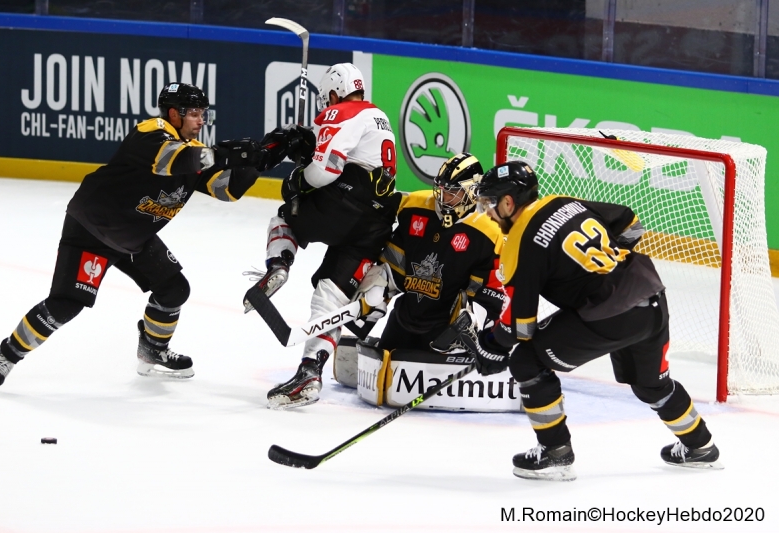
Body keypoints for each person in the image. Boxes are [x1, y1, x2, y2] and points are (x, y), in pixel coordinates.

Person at [0, 82, 279, 390]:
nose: (201, 120)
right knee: (66, 303)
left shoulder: (193, 150)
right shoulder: (153, 132)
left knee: (174, 289)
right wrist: (221, 155)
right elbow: (170, 161)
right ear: (174, 114)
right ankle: (6, 356)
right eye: (194, 114)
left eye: (204, 113)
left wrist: (264, 156)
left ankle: (153, 350)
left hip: (136, 235)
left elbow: (227, 189)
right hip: (95, 228)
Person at [459, 160, 721, 481]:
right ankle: (700, 446)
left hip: (610, 314)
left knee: (527, 361)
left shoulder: (519, 242)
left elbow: (520, 325)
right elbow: (631, 223)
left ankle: (555, 452)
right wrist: (600, 269)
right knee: (652, 385)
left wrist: (492, 347)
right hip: (650, 294)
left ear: (509, 202)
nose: (487, 212)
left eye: (490, 203)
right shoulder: (563, 202)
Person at [243, 63, 402, 410]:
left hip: (345, 203)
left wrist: (297, 180)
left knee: (286, 216)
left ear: (334, 92)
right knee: (331, 296)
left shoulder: (339, 110)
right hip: (376, 219)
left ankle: (278, 266)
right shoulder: (379, 116)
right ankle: (310, 373)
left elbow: (325, 170)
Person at [357, 152, 504, 353]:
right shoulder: (415, 208)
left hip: (445, 332)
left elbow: (487, 294)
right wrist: (378, 290)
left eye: (452, 192)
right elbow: (393, 263)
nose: (443, 198)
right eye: (441, 190)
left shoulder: (488, 232)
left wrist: (474, 321)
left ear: (472, 192)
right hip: (404, 318)